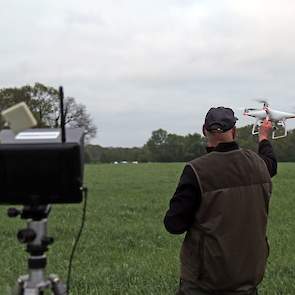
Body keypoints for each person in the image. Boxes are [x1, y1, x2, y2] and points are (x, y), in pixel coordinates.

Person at [164, 107, 277, 295]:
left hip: (205, 282)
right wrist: (263, 137)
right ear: (234, 131)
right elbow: (271, 164)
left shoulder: (196, 170)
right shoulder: (258, 164)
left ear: (203, 130)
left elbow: (173, 224)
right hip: (247, 277)